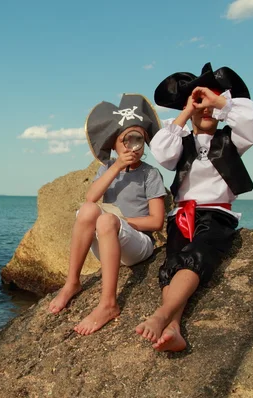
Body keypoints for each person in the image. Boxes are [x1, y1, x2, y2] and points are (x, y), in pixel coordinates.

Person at [136, 62, 253, 351]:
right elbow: (162, 152)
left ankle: (162, 316)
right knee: (172, 264)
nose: (205, 111)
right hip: (181, 214)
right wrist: (186, 110)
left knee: (198, 254)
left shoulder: (231, 139)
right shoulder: (181, 143)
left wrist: (218, 100)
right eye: (199, 106)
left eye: (210, 108)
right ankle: (174, 329)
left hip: (216, 214)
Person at [48, 94, 167, 336]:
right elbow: (91, 198)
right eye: (125, 140)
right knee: (88, 209)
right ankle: (72, 282)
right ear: (114, 144)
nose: (131, 146)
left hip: (138, 244)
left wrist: (120, 222)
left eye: (138, 140)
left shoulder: (150, 174)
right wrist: (116, 167)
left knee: (105, 219)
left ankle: (108, 304)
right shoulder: (107, 169)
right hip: (109, 242)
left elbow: (156, 222)